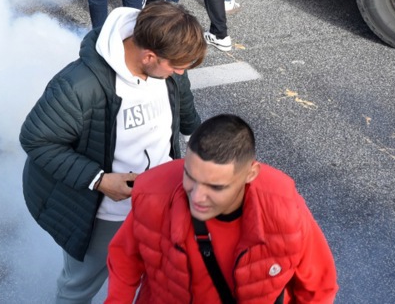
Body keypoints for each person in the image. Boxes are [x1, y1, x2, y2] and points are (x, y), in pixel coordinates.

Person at [20, 1, 205, 304]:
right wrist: (100, 180)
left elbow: (184, 109)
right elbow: (37, 140)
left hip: (161, 201)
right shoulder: (79, 85)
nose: (181, 73)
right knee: (79, 286)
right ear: (148, 56)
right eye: (176, 66)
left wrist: (202, 138)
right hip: (105, 213)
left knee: (159, 274)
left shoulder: (169, 69)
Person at [105, 114, 339, 304]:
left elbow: (319, 286)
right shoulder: (153, 195)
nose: (197, 196)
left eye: (215, 187)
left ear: (251, 174)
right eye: (189, 176)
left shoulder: (286, 210)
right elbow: (124, 257)